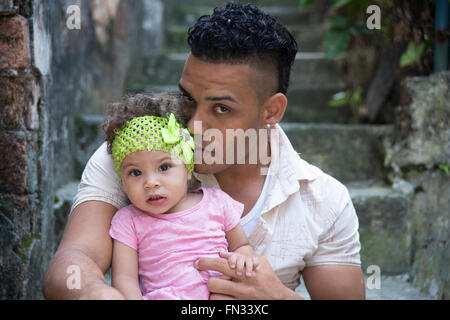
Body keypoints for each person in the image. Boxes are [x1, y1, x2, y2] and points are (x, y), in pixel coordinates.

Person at [43, 2, 365, 300]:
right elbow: (72, 262)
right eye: (188, 99)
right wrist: (97, 293)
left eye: (221, 109)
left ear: (271, 111)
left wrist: (278, 297)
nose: (194, 126)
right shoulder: (136, 156)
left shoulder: (324, 200)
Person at [103, 95, 257, 299]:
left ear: (187, 169)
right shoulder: (128, 221)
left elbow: (241, 246)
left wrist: (242, 258)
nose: (151, 182)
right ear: (122, 180)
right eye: (135, 173)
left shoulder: (217, 203)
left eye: (164, 167)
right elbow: (125, 279)